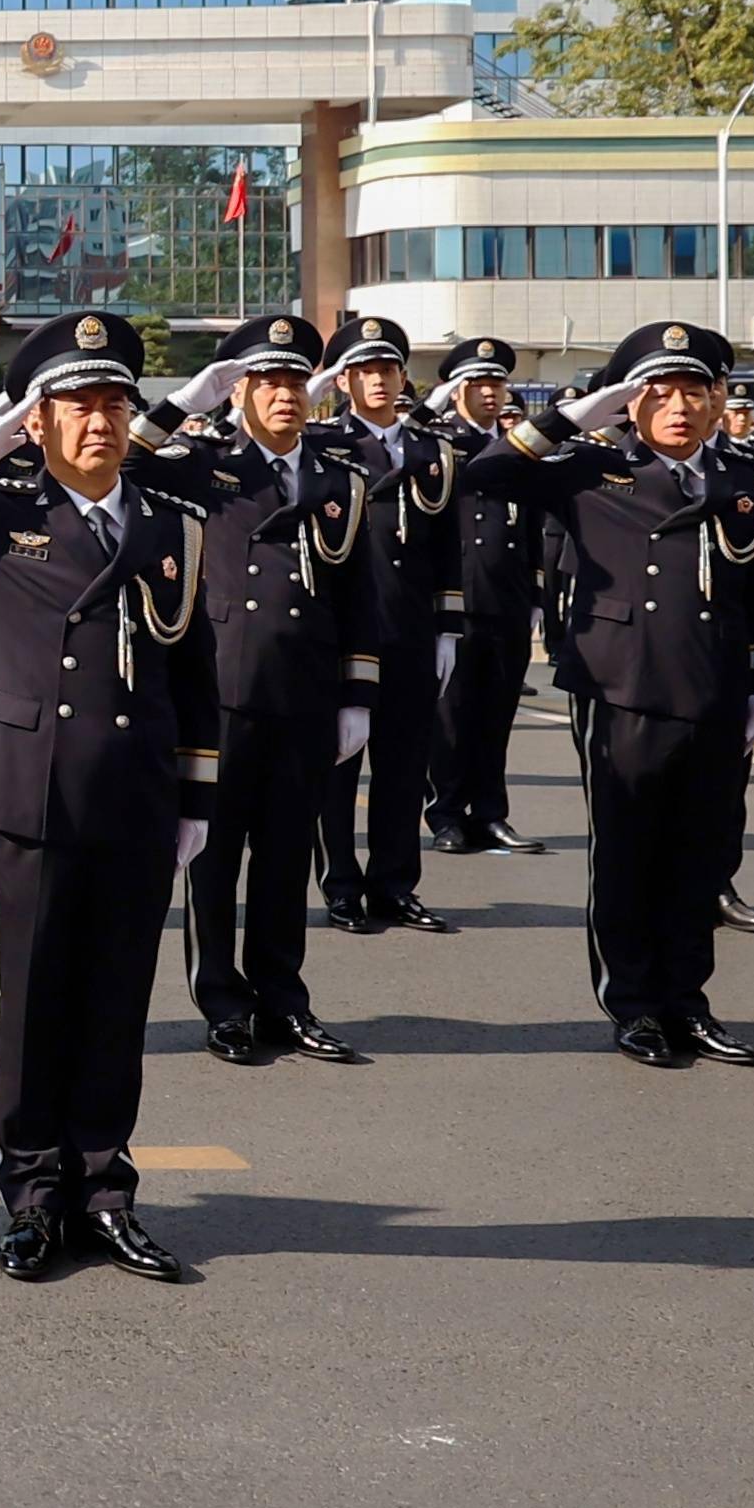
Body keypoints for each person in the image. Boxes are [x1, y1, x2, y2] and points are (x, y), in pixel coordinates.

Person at [0, 309, 215, 1280]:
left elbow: (192, 668)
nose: (97, 420)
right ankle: (28, 1192)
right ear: (39, 419)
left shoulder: (166, 523)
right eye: (73, 403)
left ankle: (102, 1187)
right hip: (34, 791)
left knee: (113, 1003)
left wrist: (195, 796)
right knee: (28, 1005)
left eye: (111, 402)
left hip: (138, 793)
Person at [464, 321, 754, 1070]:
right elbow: (486, 472)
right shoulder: (592, 467)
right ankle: (635, 1003)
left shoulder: (752, 477)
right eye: (658, 390)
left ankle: (688, 1001)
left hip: (715, 681)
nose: (678, 405)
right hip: (623, 680)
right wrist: (572, 416)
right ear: (631, 402)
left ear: (719, 400)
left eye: (694, 389)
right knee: (627, 851)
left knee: (700, 853)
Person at [129, 314, 383, 1065]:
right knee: (214, 857)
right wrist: (183, 399)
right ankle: (222, 1000)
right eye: (266, 380)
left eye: (293, 381)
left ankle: (283, 997)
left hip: (304, 693)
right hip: (222, 691)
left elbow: (358, 595)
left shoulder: (341, 476)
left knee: (283, 857)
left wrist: (357, 695)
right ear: (239, 389)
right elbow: (128, 460)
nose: (283, 395)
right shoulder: (203, 461)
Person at [312, 313, 458, 932]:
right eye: (364, 370)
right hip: (345, 632)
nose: (378, 380)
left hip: (408, 630)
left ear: (404, 375)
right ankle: (341, 883)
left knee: (403, 765)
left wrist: (448, 627)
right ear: (344, 381)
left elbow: (448, 546)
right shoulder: (322, 448)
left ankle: (395, 884)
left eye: (387, 368)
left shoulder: (433, 451)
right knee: (340, 765)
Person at [416, 336, 545, 859]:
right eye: (478, 383)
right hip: (457, 598)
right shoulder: (441, 443)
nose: (490, 393)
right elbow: (405, 443)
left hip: (507, 596)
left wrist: (536, 592)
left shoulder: (519, 446)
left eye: (497, 383)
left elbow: (533, 521)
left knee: (498, 711)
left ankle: (490, 812)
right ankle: (445, 812)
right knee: (451, 714)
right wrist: (432, 407)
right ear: (458, 389)